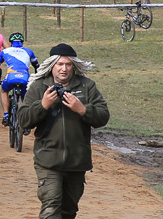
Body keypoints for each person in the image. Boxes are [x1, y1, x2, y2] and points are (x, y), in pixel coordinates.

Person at [17, 43, 110, 219]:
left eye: (68, 64)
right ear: (52, 65)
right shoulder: (38, 87)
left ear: (73, 65)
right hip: (48, 160)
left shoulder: (87, 86)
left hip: (77, 161)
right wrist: (42, 105)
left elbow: (103, 117)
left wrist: (83, 109)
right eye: (60, 64)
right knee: (51, 207)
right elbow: (23, 120)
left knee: (69, 210)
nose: (64, 69)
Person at [0, 32, 39, 127]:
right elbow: (37, 66)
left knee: (4, 91)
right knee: (25, 97)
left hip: (11, 77)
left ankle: (6, 115)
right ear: (22, 42)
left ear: (10, 43)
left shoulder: (5, 51)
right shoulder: (29, 51)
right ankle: (26, 119)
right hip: (25, 78)